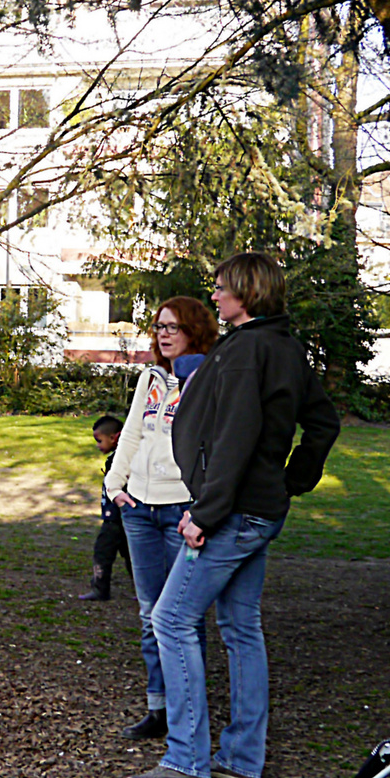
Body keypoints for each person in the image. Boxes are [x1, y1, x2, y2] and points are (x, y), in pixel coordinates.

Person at [127, 253, 341, 778]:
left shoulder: (249, 351)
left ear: (247, 293)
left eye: (222, 289)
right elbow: (323, 422)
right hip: (257, 506)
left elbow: (235, 440)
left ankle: (187, 760)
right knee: (241, 627)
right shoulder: (283, 347)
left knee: (171, 620)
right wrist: (291, 478)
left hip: (234, 511)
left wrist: (205, 512)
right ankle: (242, 758)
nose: (216, 297)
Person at [103, 295, 220, 741]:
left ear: (195, 330)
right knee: (149, 613)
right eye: (159, 327)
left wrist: (200, 504)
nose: (164, 334)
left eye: (173, 326)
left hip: (180, 508)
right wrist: (115, 485)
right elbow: (132, 431)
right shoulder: (150, 377)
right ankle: (159, 707)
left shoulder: (208, 378)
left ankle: (188, 710)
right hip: (138, 508)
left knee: (182, 616)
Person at [81, 414, 130, 602]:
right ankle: (145, 592)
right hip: (121, 517)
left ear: (114, 437)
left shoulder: (120, 461)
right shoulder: (117, 459)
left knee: (103, 552)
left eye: (99, 440)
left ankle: (100, 589)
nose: (97, 445)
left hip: (115, 518)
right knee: (131, 555)